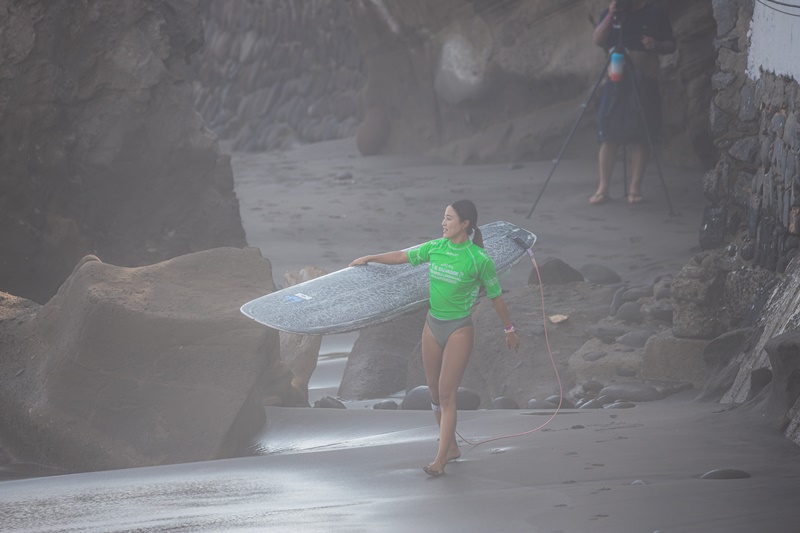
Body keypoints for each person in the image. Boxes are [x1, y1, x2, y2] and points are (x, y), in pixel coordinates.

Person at [349, 200, 520, 477]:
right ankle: (451, 447)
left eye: (449, 218)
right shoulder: (436, 247)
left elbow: (496, 297)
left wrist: (509, 329)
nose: (443, 223)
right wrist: (371, 257)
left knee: (446, 393)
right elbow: (402, 256)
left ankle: (440, 459)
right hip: (432, 325)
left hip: (458, 329)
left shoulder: (479, 259)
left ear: (465, 224)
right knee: (433, 392)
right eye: (444, 217)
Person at [589, 0, 676, 205]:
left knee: (641, 135)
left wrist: (655, 44)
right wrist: (610, 15)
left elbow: (671, 45)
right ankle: (603, 188)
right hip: (616, 80)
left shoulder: (655, 14)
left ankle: (634, 189)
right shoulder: (613, 12)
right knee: (608, 132)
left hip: (644, 80)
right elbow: (597, 39)